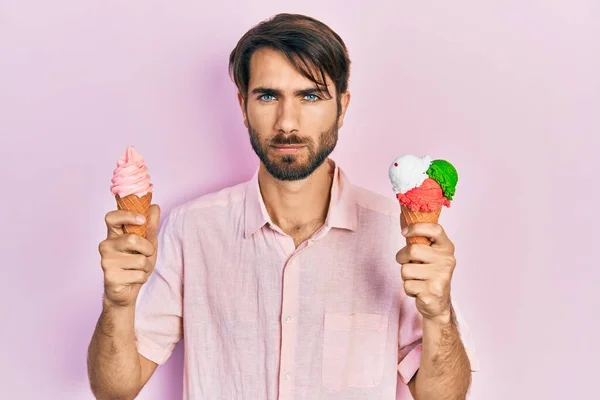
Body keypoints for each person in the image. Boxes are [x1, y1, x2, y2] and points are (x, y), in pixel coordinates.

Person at [87, 13, 478, 400]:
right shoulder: (192, 229)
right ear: (243, 106)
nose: (287, 122)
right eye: (268, 95)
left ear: (342, 107)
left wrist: (439, 313)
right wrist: (116, 302)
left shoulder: (396, 233)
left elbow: (443, 397)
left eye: (310, 96)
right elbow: (115, 388)